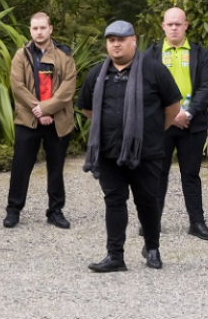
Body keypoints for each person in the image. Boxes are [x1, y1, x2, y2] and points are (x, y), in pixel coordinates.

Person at [77, 21, 182, 272]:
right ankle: (115, 256)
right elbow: (87, 108)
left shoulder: (154, 71)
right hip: (108, 151)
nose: (116, 43)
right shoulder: (97, 74)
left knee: (147, 201)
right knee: (114, 201)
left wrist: (151, 132)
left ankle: (153, 248)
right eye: (111, 39)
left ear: (133, 40)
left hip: (146, 152)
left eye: (121, 39)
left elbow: (173, 109)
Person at [143, 7, 208, 241]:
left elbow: (206, 87)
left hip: (192, 124)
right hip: (160, 125)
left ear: (186, 25)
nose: (174, 27)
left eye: (178, 23)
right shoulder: (151, 54)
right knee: (157, 174)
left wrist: (188, 113)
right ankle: (151, 222)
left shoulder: (200, 54)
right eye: (170, 24)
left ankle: (197, 223)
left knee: (191, 174)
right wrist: (170, 114)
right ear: (163, 26)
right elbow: (144, 87)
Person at [5, 11, 78, 230]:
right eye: (35, 28)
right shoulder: (21, 55)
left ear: (50, 29)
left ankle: (55, 211)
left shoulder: (65, 56)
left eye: (42, 28)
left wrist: (47, 109)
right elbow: (17, 86)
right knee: (21, 167)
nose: (39, 32)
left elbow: (68, 88)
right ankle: (13, 210)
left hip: (58, 121)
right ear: (30, 30)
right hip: (29, 120)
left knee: (56, 169)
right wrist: (38, 110)